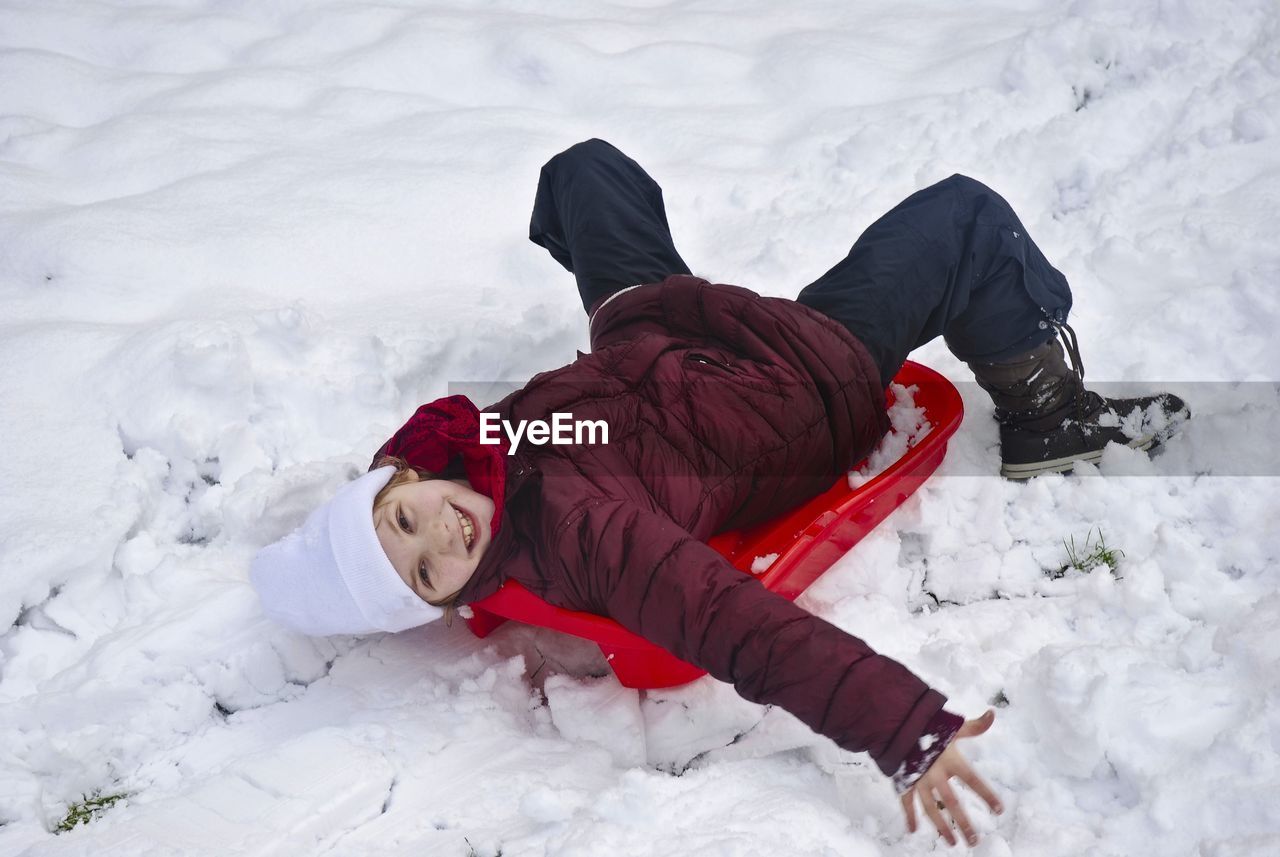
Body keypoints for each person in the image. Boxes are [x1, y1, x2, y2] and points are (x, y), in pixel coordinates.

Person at [250, 139, 1187, 848]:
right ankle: (1047, 416)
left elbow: (569, 426)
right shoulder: (587, 533)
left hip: (665, 332)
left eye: (405, 518)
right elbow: (738, 627)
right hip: (798, 384)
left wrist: (637, 335)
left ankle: (645, 301)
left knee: (583, 171)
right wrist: (903, 727)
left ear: (404, 479)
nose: (442, 535)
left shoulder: (474, 447)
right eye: (427, 571)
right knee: (965, 218)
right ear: (447, 596)